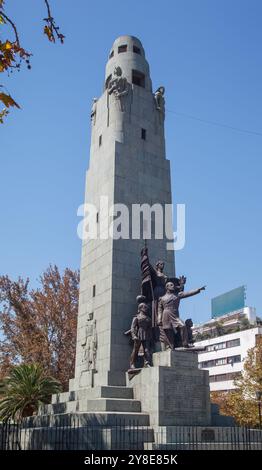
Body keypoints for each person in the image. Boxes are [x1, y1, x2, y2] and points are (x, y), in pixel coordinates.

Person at [158, 282, 206, 349]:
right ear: (167, 287)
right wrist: (159, 319)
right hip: (166, 315)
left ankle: (185, 344)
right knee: (169, 331)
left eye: (173, 285)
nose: (173, 286)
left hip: (174, 315)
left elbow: (188, 293)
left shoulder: (177, 295)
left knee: (183, 326)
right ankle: (170, 346)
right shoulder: (162, 298)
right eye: (171, 285)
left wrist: (198, 290)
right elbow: (160, 310)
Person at [130, 303, 153, 369]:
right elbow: (133, 327)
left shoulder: (148, 317)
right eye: (145, 307)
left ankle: (147, 363)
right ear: (140, 308)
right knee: (135, 350)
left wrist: (150, 336)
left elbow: (150, 328)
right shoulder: (136, 317)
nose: (146, 308)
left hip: (146, 335)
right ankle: (132, 363)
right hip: (139, 335)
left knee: (146, 350)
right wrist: (134, 336)